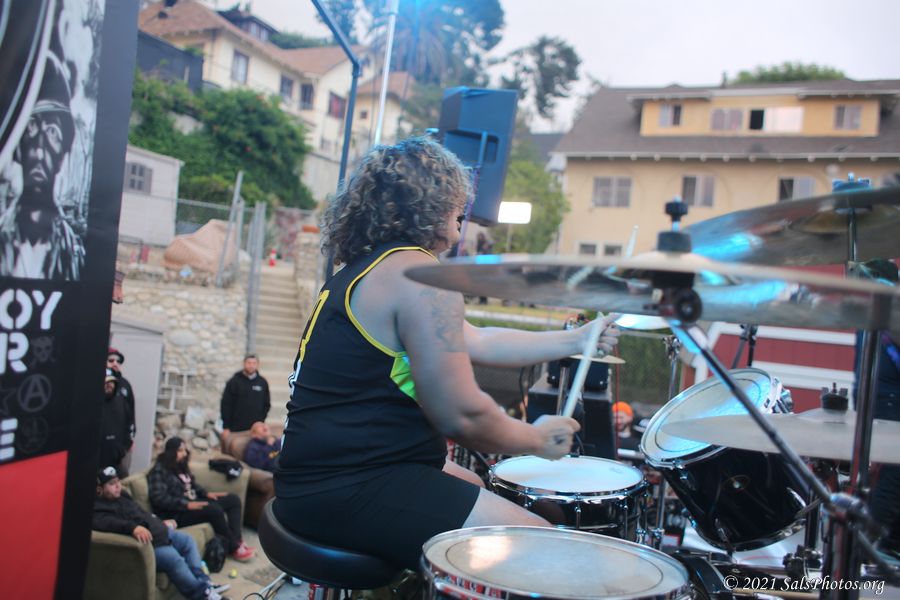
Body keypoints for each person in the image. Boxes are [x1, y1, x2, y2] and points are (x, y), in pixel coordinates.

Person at [274, 137, 620, 569]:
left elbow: (480, 340)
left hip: (315, 478)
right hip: (349, 486)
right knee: (546, 550)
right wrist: (536, 439)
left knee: (473, 481)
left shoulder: (371, 270)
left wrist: (577, 340)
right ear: (431, 200)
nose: (465, 206)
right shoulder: (419, 278)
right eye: (457, 196)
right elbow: (463, 416)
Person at [0, 50, 84, 280]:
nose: (39, 150)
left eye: (52, 132)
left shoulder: (73, 252)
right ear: (18, 147)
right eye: (31, 128)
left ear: (63, 151)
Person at [93, 466, 231, 600]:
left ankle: (204, 583)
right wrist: (133, 528)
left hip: (161, 532)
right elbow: (110, 523)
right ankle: (202, 595)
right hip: (151, 544)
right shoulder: (97, 509)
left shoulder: (122, 495)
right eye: (112, 484)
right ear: (99, 489)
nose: (118, 486)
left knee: (188, 541)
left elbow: (141, 513)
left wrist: (159, 521)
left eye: (118, 481)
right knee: (174, 559)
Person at [148, 437, 254, 561]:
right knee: (214, 510)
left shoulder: (180, 466)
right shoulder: (159, 471)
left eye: (185, 450)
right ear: (171, 452)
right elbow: (159, 498)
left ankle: (237, 540)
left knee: (233, 500)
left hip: (193, 501)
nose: (184, 454)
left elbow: (191, 484)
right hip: (177, 512)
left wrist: (206, 494)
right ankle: (234, 548)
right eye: (180, 451)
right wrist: (186, 504)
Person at [220, 355, 270, 439]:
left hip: (255, 430)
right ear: (244, 364)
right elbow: (226, 404)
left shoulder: (262, 382)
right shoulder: (233, 382)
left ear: (257, 365)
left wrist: (260, 422)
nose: (251, 365)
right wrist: (226, 427)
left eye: (254, 363)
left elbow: (266, 404)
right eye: (249, 363)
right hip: (235, 429)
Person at [107, 347, 136, 474]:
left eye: (118, 361)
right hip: (104, 444)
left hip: (121, 443)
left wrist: (130, 439)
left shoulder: (125, 385)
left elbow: (131, 414)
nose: (115, 363)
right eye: (111, 360)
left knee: (122, 476)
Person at [99, 370, 134, 473]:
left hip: (116, 458)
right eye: (106, 382)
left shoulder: (121, 402)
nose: (109, 385)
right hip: (97, 459)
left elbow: (129, 423)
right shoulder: (93, 404)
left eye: (111, 382)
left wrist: (124, 448)